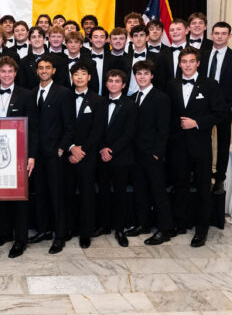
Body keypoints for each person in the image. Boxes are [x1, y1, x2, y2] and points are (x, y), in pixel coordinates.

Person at [166, 47, 226, 247]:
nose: (188, 65)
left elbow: (220, 113)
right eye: (184, 62)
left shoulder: (210, 85)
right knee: (180, 185)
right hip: (178, 145)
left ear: (198, 63)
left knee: (202, 187)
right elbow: (170, 115)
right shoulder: (172, 85)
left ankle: (202, 229)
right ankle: (180, 223)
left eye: (192, 61)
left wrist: (197, 123)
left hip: (200, 145)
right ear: (179, 64)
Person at [0, 56, 38, 258]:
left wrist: (31, 156)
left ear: (15, 74)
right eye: (3, 71)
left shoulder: (26, 95)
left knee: (20, 197)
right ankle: (5, 233)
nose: (6, 75)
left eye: (10, 71)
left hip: (20, 154)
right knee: (0, 195)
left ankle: (21, 239)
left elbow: (34, 128)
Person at [28, 55, 74, 254]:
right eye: (40, 67)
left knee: (57, 194)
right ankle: (44, 230)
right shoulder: (31, 93)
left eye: (47, 67)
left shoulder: (63, 92)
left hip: (55, 153)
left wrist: (62, 148)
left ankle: (60, 235)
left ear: (54, 71)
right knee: (40, 194)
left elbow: (70, 125)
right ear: (37, 71)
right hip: (36, 154)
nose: (44, 70)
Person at [198, 22, 232, 194]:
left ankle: (219, 178)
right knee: (203, 143)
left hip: (225, 108)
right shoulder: (202, 56)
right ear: (211, 35)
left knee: (223, 143)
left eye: (223, 33)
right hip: (204, 107)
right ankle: (203, 174)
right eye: (216, 33)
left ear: (229, 36)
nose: (219, 36)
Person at [127, 60, 174, 245]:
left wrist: (157, 153)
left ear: (152, 76)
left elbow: (164, 129)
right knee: (140, 191)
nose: (142, 77)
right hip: (136, 154)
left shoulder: (161, 98)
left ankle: (165, 229)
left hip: (152, 154)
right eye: (139, 74)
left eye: (146, 74)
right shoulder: (132, 97)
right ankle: (143, 224)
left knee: (158, 192)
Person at [65, 62, 105, 248]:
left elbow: (98, 130)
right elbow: (62, 126)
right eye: (76, 74)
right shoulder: (63, 97)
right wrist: (71, 147)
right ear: (71, 77)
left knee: (87, 194)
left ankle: (85, 232)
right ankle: (69, 227)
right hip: (68, 153)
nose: (79, 77)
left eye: (83, 74)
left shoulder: (97, 100)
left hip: (87, 156)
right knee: (68, 193)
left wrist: (82, 150)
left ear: (89, 77)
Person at [97, 69, 137, 247]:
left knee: (120, 194)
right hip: (101, 156)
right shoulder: (100, 102)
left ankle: (120, 229)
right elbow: (95, 130)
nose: (113, 84)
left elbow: (129, 134)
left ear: (124, 85)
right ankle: (104, 225)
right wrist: (101, 149)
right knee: (103, 192)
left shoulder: (130, 105)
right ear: (106, 84)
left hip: (121, 157)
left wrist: (110, 150)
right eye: (110, 81)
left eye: (117, 81)